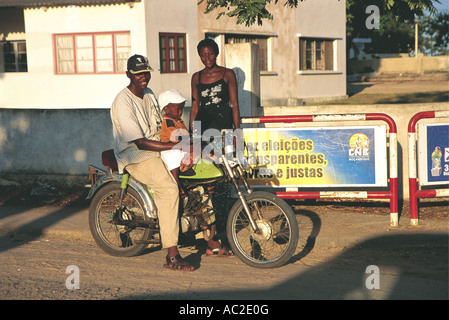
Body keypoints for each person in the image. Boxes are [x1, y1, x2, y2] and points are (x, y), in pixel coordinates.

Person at [110, 54, 194, 271]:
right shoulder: (123, 101)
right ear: (128, 75)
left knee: (194, 173)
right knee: (168, 189)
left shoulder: (148, 94)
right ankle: (172, 255)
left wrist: (181, 148)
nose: (143, 77)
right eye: (138, 74)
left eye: (145, 73)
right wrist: (174, 148)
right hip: (135, 155)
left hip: (155, 148)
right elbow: (139, 142)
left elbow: (159, 128)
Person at [190, 38, 241, 257]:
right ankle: (208, 237)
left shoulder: (228, 74)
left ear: (216, 53)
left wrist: (237, 133)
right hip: (203, 134)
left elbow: (235, 105)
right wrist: (192, 137)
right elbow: (194, 107)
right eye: (203, 54)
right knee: (205, 184)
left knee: (223, 182)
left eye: (210, 53)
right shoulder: (196, 77)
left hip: (223, 133)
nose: (207, 58)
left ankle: (221, 232)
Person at [159, 89, 195, 201]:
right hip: (171, 149)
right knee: (172, 157)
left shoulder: (178, 120)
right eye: (177, 109)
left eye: (182, 109)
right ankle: (177, 186)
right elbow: (176, 139)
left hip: (180, 148)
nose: (180, 112)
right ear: (166, 108)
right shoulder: (169, 122)